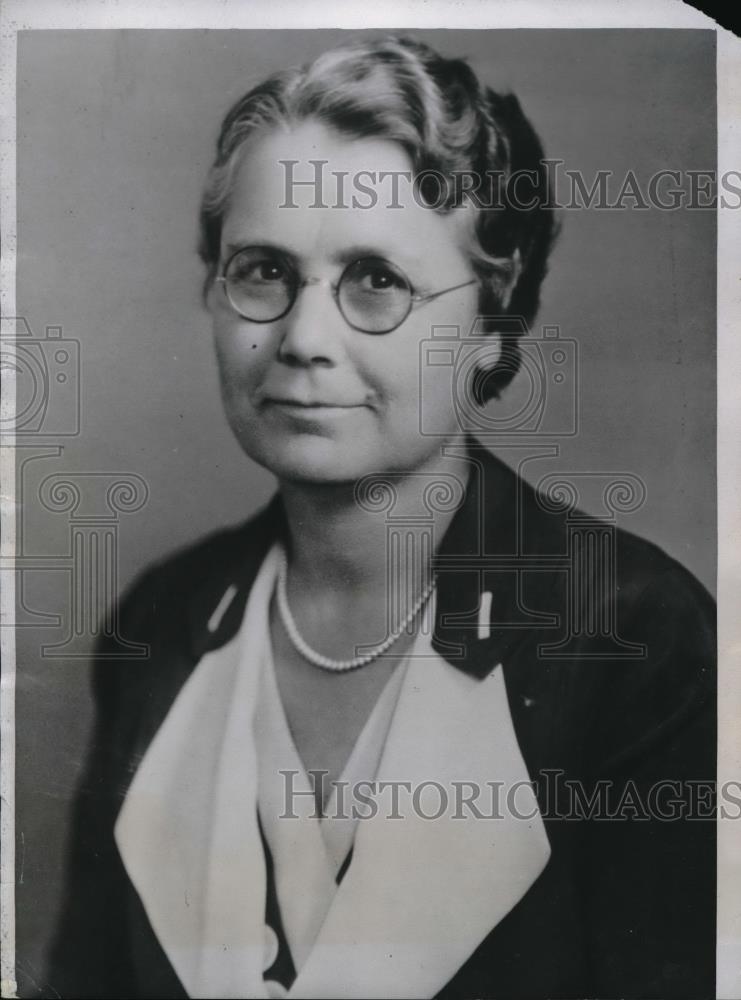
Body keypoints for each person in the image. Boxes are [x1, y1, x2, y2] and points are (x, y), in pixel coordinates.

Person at [47, 35, 716, 999]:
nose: (304, 340)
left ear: (492, 324)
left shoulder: (636, 640)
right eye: (264, 271)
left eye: (377, 281)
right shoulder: (162, 621)